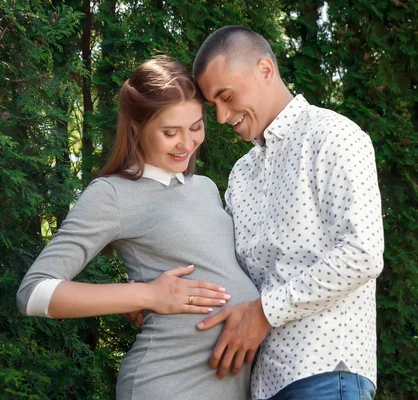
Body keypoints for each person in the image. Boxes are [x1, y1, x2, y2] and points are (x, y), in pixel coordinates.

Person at [16, 55, 259, 400]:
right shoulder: (113, 194)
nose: (187, 144)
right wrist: (145, 295)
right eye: (170, 132)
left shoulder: (205, 187)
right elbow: (34, 293)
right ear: (136, 127)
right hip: (166, 382)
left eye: (195, 127)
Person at [192, 26, 384, 400]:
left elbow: (363, 252)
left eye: (226, 96)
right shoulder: (241, 173)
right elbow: (224, 267)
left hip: (327, 372)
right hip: (261, 382)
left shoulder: (333, 135)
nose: (219, 116)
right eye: (212, 104)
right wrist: (153, 295)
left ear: (265, 70)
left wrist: (265, 312)